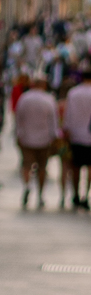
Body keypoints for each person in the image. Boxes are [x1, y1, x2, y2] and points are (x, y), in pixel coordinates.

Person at [15, 72, 61, 210]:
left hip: (27, 138)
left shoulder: (24, 98)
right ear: (44, 85)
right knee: (42, 167)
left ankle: (27, 186)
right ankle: (40, 194)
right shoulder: (49, 99)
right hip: (44, 139)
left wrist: (18, 135)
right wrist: (54, 137)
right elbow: (53, 121)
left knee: (27, 165)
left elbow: (18, 118)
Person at [61, 69, 91, 211]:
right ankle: (86, 195)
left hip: (77, 135)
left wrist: (66, 130)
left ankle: (76, 194)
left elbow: (69, 114)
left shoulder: (73, 93)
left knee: (76, 167)